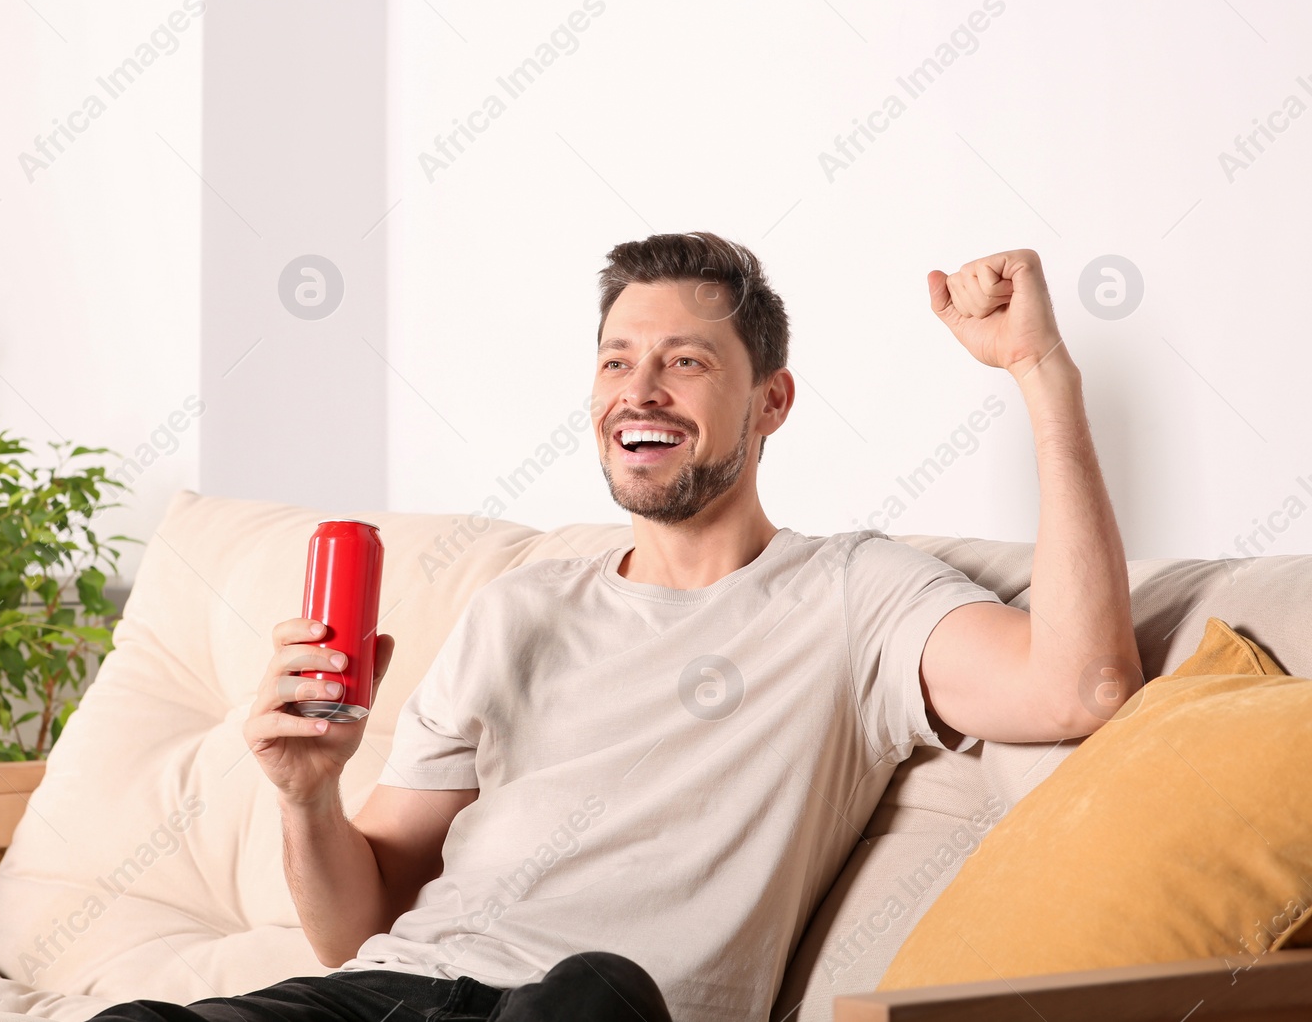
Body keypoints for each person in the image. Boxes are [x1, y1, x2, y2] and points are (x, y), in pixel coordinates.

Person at [91, 233, 1141, 1021]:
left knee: (594, 990)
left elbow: (1082, 686)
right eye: (615, 359)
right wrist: (307, 793)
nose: (638, 388)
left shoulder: (855, 592)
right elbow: (356, 928)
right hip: (394, 991)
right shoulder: (520, 606)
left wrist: (1041, 374)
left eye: (685, 361)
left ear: (770, 402)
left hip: (593, 1009)